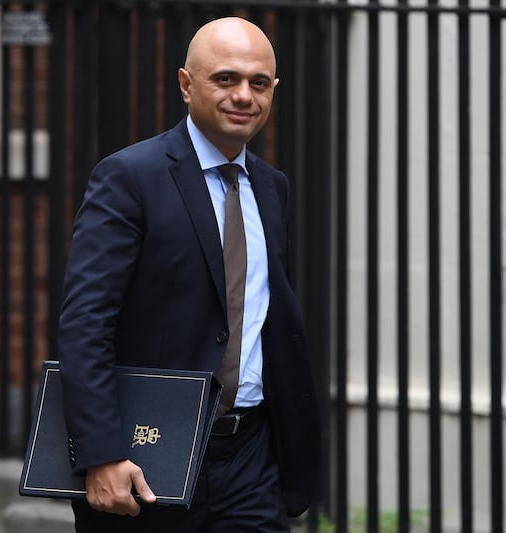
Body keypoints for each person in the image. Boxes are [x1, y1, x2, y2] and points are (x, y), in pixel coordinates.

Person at [58, 16, 321, 533]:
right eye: (226, 79)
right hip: (149, 455)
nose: (243, 95)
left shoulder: (273, 188)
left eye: (258, 83)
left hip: (249, 458)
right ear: (186, 84)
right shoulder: (130, 178)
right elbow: (85, 325)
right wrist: (101, 454)